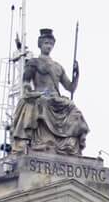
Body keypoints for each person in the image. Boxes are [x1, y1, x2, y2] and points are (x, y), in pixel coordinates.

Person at [10, 27, 89, 156]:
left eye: (51, 44)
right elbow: (26, 84)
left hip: (56, 98)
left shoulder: (58, 66)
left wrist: (76, 74)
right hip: (41, 95)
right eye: (46, 43)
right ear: (40, 44)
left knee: (75, 110)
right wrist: (32, 92)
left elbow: (70, 87)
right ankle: (41, 141)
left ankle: (69, 145)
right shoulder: (34, 63)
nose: (48, 46)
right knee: (42, 102)